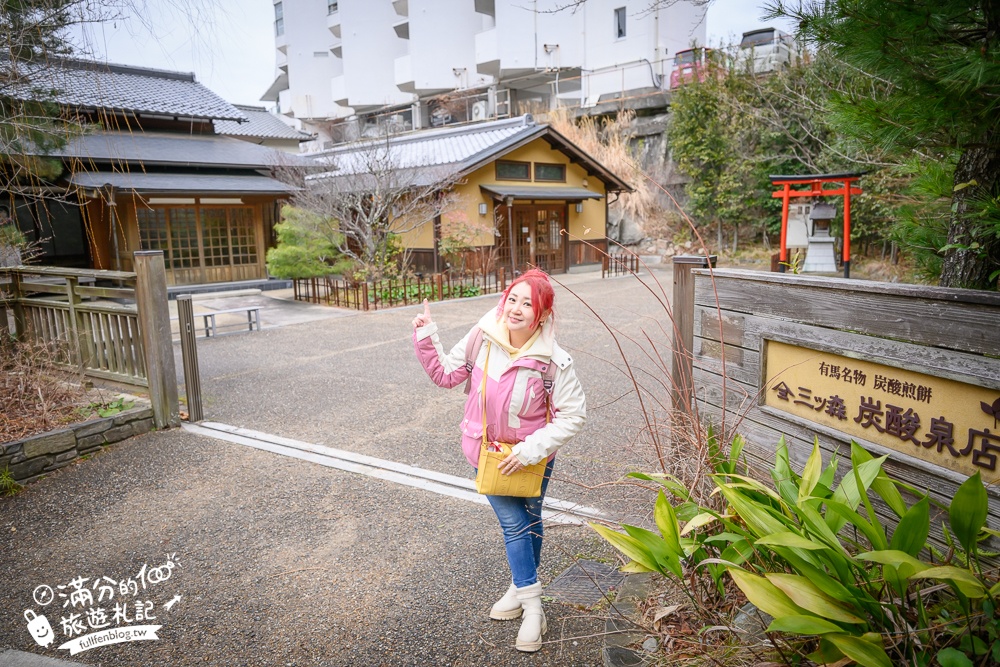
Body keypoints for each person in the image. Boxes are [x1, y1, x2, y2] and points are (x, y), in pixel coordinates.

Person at [411, 269, 586, 653]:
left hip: (532, 457)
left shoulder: (554, 361)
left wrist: (527, 451)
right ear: (503, 300)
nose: (517, 308)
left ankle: (518, 589)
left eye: (528, 303)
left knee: (530, 518)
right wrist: (427, 335)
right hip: (487, 454)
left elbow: (572, 415)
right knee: (514, 523)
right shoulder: (482, 337)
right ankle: (534, 609)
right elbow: (445, 374)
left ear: (542, 315)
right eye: (512, 298)